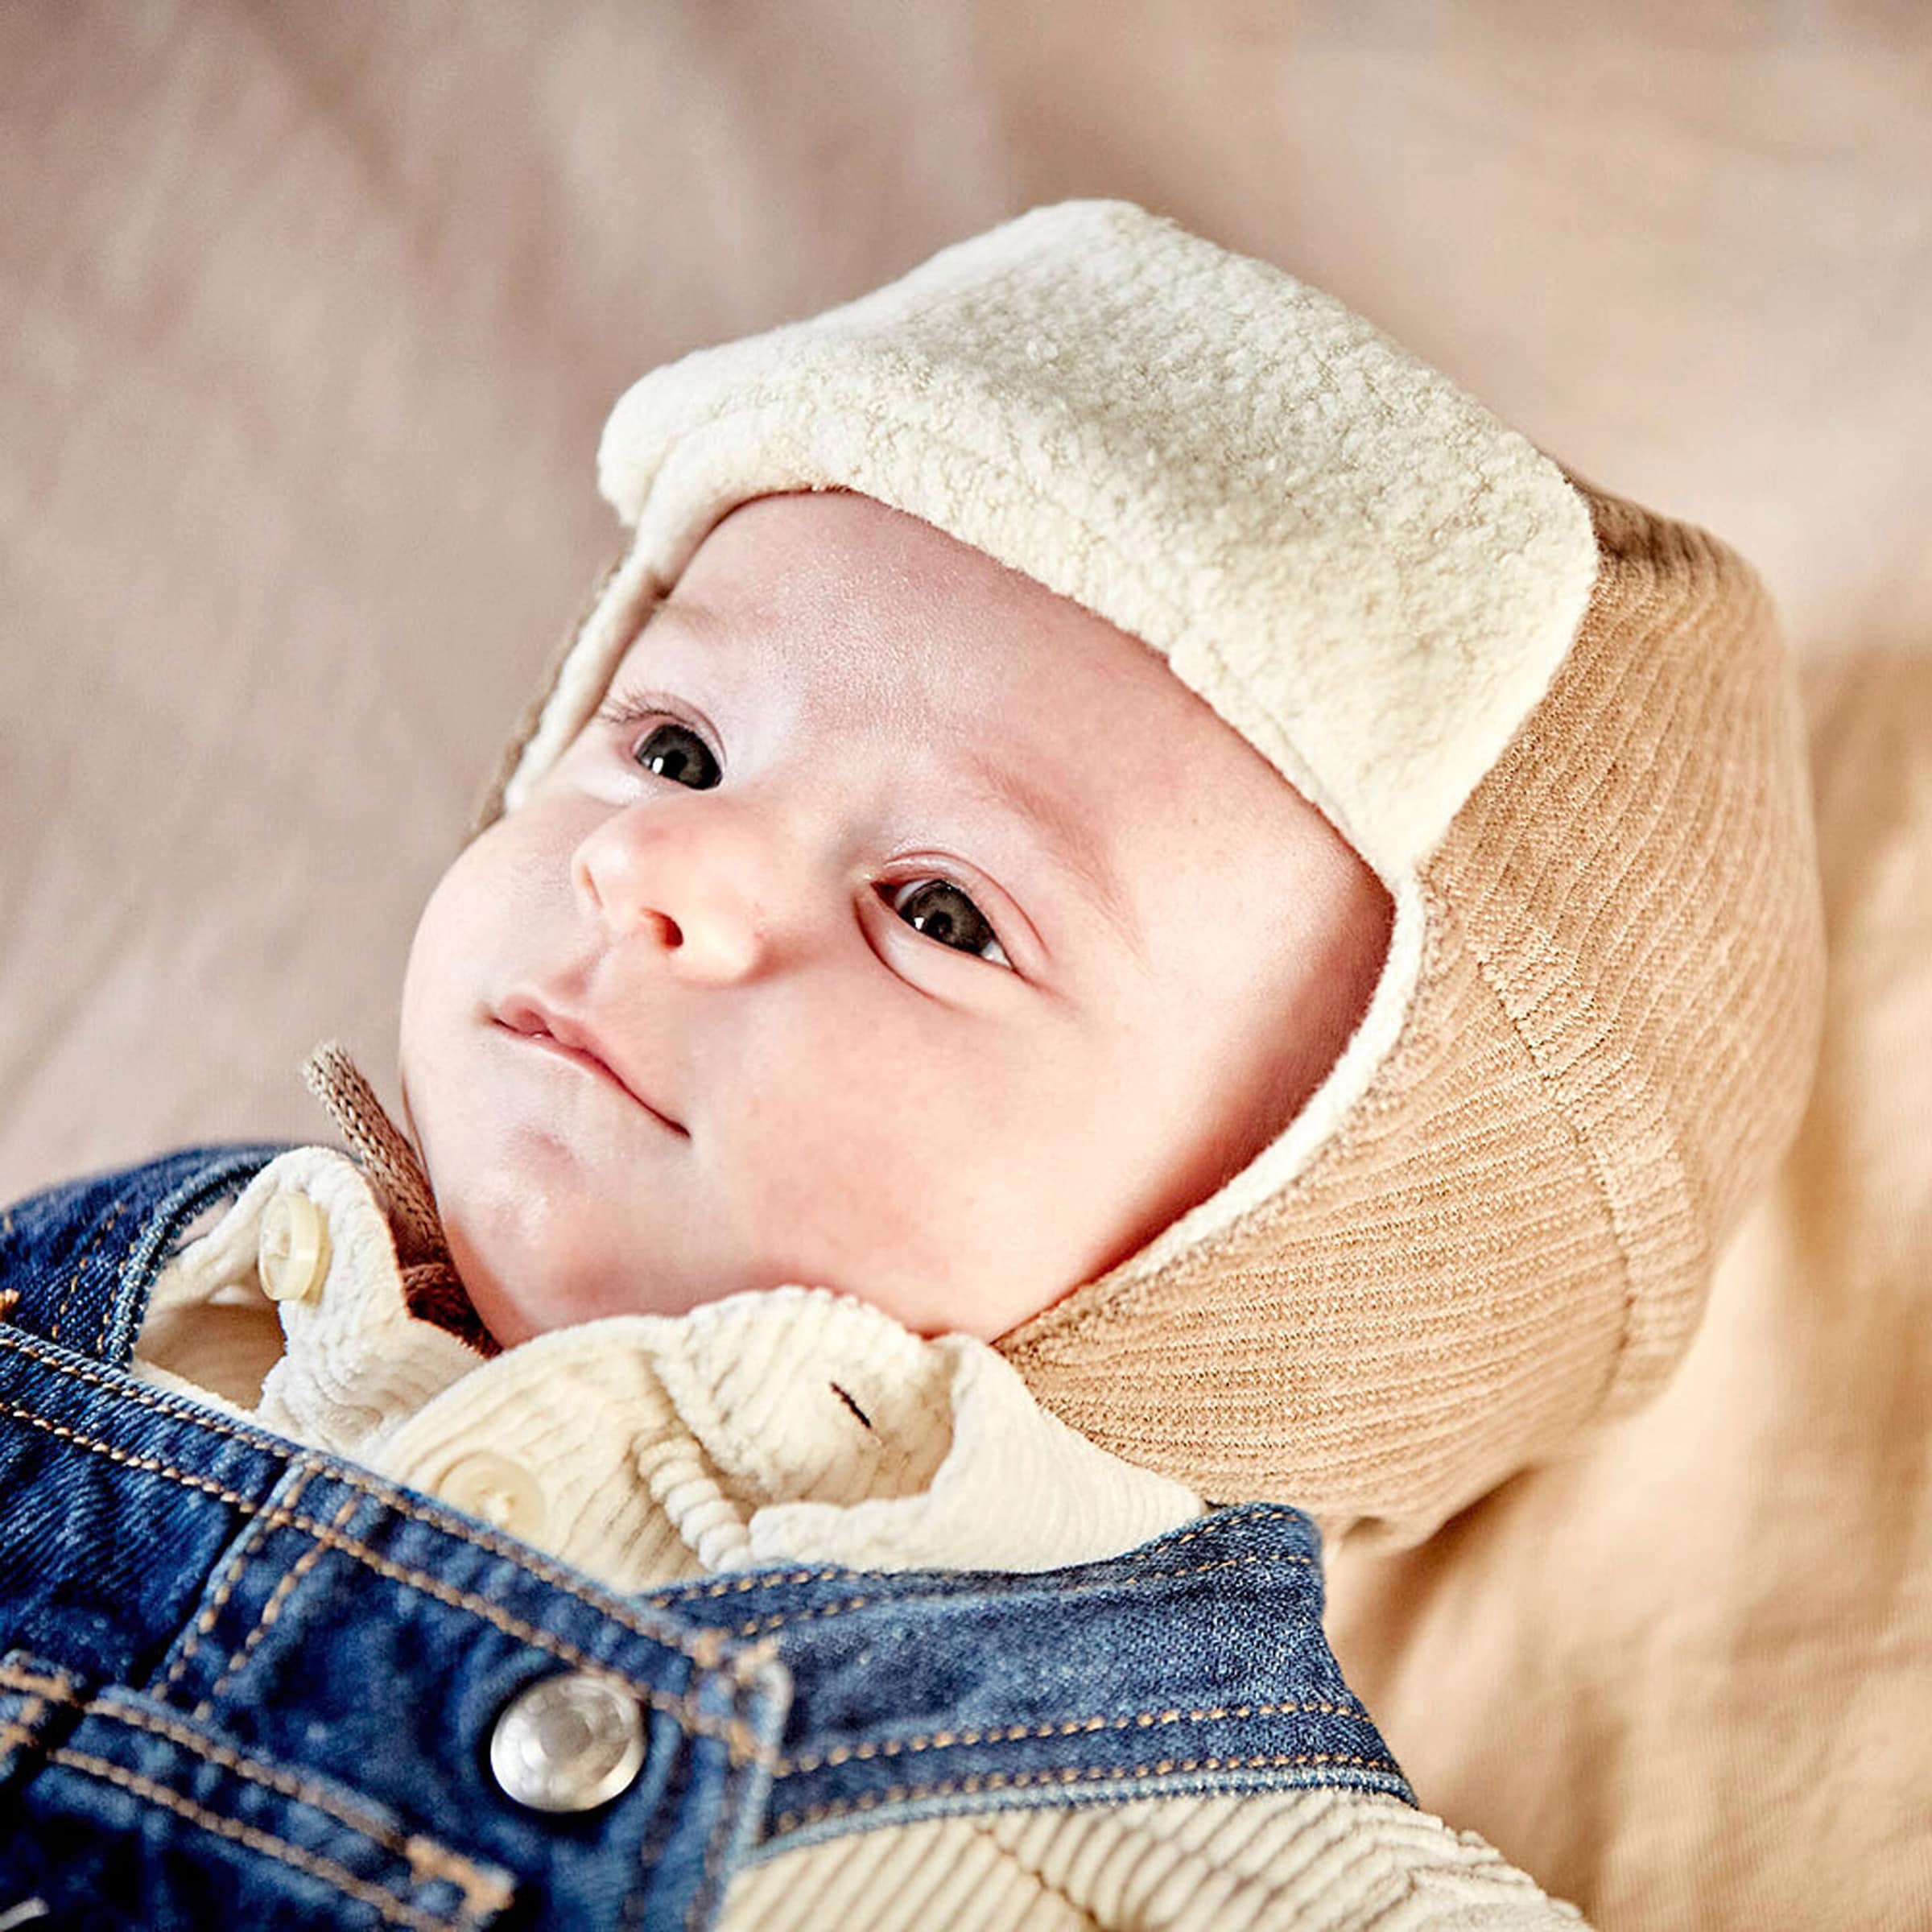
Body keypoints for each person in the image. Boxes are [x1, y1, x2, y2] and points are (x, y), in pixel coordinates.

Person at [0, 200, 1823, 1930]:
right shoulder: (138, 1302)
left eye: (942, 914)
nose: (654, 864)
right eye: (677, 748)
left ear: (1296, 1278)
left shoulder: (1235, 1843)